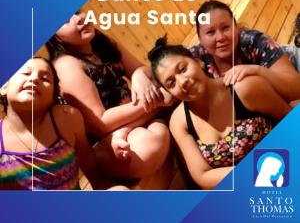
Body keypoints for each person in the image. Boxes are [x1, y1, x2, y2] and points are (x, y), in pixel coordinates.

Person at [148, 36, 291, 190]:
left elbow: (289, 120)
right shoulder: (179, 122)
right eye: (171, 83)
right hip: (240, 191)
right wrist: (254, 176)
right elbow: (202, 175)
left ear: (198, 61)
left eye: (183, 69)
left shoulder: (244, 88)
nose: (182, 82)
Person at [46, 11, 170, 179]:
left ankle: (130, 128)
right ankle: (146, 122)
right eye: (66, 20)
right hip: (106, 140)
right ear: (56, 38)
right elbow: (101, 123)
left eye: (78, 12)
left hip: (133, 119)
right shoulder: (66, 66)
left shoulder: (102, 43)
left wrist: (138, 76)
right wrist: (153, 102)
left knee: (174, 86)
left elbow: (146, 71)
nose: (79, 19)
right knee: (147, 147)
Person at [0, 57, 126, 190]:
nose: (34, 79)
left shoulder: (66, 118)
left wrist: (100, 184)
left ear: (53, 97)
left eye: (45, 79)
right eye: (26, 73)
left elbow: (86, 156)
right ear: (4, 87)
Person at [191, 0, 300, 103]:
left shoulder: (255, 42)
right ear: (200, 38)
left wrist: (257, 71)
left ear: (236, 27)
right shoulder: (192, 60)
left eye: (225, 28)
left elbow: (296, 88)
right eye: (210, 32)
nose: (220, 37)